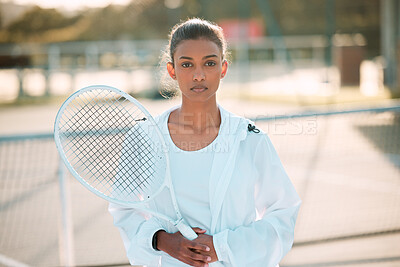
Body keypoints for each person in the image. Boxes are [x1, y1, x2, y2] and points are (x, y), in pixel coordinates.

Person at [109, 18, 301, 267]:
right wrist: (164, 241)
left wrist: (221, 247)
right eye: (186, 64)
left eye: (209, 63)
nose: (198, 75)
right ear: (172, 70)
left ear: (223, 68)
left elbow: (283, 215)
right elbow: (124, 210)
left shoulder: (249, 138)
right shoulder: (144, 137)